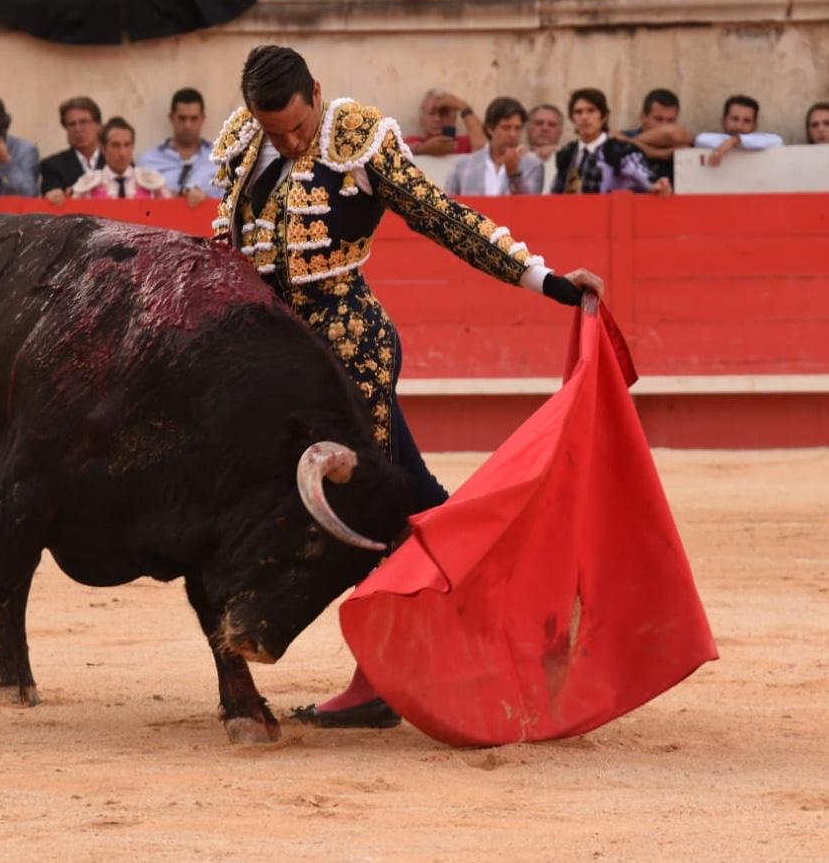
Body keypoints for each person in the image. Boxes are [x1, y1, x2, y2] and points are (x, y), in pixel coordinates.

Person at [210, 45, 603, 728]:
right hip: (272, 362)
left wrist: (545, 281)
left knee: (364, 511)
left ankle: (383, 677)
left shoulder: (359, 140)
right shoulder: (248, 142)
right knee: (416, 503)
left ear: (317, 94)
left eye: (297, 128)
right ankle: (521, 620)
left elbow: (442, 217)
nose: (288, 141)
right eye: (274, 131)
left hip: (347, 354)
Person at [551, 88, 672, 194]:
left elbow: (649, 180)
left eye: (591, 111)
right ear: (573, 119)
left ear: (604, 117)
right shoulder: (567, 153)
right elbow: (556, 193)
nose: (584, 117)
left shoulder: (621, 151)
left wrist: (659, 185)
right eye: (578, 112)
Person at [137, 87, 223, 207]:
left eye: (194, 119)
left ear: (203, 119)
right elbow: (138, 207)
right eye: (182, 118)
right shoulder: (148, 162)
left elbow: (230, 210)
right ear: (171, 118)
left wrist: (206, 202)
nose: (188, 125)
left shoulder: (219, 160)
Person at [444, 96, 544, 194]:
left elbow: (530, 206)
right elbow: (447, 206)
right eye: (506, 128)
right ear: (490, 129)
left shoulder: (533, 166)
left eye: (517, 128)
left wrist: (515, 175)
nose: (513, 134)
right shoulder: (463, 166)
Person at [70, 117, 170, 199]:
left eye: (127, 145)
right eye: (115, 145)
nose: (122, 153)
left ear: (133, 146)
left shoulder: (153, 181)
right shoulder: (87, 185)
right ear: (103, 148)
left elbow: (170, 213)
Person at [40, 96, 105, 204]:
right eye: (71, 124)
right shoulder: (52, 166)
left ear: (99, 125)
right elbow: (50, 196)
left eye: (83, 122)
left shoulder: (115, 162)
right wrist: (53, 195)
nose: (78, 129)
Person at [615, 87, 688, 183]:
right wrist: (659, 153)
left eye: (670, 120)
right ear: (643, 117)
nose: (664, 126)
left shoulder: (681, 143)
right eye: (658, 119)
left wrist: (630, 144)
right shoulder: (625, 136)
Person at [695, 94, 784, 167]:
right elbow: (701, 139)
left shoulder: (761, 140)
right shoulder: (709, 139)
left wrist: (735, 141)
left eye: (747, 121)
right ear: (723, 121)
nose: (739, 126)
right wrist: (730, 142)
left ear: (755, 126)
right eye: (734, 119)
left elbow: (777, 141)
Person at [404, 89, 486, 156]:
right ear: (421, 120)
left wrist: (462, 106)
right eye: (432, 113)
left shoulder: (466, 143)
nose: (437, 118)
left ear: (454, 119)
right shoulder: (412, 141)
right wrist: (424, 149)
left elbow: (484, 150)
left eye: (443, 113)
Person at [526, 102, 563, 194]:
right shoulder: (516, 158)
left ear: (560, 131)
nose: (545, 128)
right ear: (527, 128)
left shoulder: (570, 159)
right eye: (539, 123)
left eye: (552, 124)